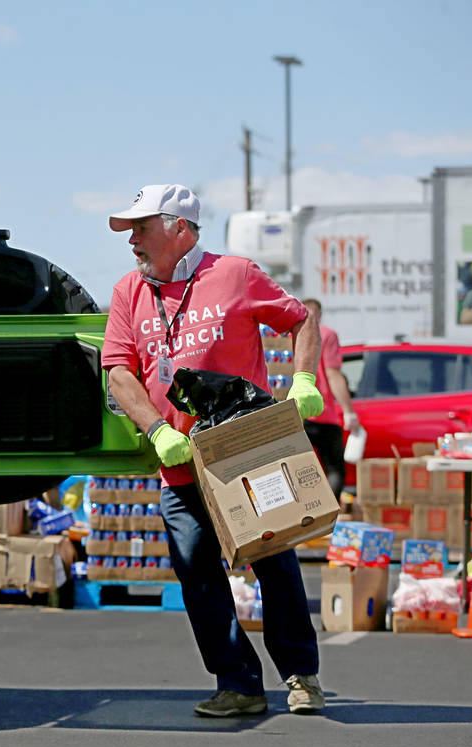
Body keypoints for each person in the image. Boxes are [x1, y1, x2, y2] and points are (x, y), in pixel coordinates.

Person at [100, 184, 326, 717]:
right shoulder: (128, 291)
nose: (132, 240)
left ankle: (301, 676)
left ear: (179, 228)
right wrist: (157, 429)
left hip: (244, 454)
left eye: (141, 228)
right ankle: (239, 683)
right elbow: (117, 371)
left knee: (274, 563)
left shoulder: (235, 274)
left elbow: (302, 320)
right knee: (197, 574)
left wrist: (304, 381)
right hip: (180, 462)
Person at [301, 298, 359, 499]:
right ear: (320, 314)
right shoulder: (326, 334)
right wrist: (349, 411)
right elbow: (333, 374)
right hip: (322, 412)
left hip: (295, 412)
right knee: (334, 469)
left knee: (299, 471)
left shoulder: (291, 333)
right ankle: (328, 517)